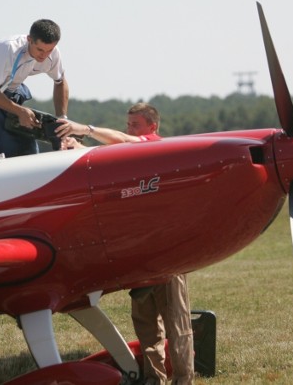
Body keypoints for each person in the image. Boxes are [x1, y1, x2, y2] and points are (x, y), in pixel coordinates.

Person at [55, 103, 194, 385]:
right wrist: (76, 148)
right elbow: (109, 155)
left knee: (176, 324)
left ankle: (183, 378)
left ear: (151, 128)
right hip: (140, 256)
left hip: (166, 256)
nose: (129, 129)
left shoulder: (153, 147)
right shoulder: (133, 153)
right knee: (145, 324)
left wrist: (86, 130)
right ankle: (154, 378)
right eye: (128, 124)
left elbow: (124, 142)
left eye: (135, 125)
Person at [0, 19, 69, 157]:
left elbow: (60, 82)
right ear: (29, 39)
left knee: (30, 148)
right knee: (6, 144)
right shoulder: (7, 49)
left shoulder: (53, 54)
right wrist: (19, 111)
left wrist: (62, 119)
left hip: (11, 91)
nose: (44, 55)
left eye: (49, 50)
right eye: (40, 49)